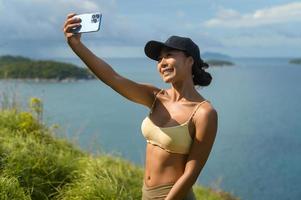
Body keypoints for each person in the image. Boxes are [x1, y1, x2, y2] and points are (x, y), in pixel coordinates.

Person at [63, 13, 218, 200]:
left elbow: (191, 173)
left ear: (190, 61)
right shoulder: (156, 97)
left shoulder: (203, 113)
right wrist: (76, 45)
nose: (162, 63)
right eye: (159, 59)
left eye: (169, 55)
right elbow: (113, 78)